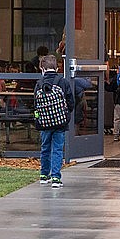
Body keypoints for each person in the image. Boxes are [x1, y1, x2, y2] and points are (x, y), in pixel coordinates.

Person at [35, 54, 74, 188]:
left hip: (44, 122)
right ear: (57, 68)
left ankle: (43, 175)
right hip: (60, 122)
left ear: (42, 68)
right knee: (57, 149)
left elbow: (35, 103)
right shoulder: (62, 82)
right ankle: (56, 177)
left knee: (45, 147)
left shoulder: (39, 83)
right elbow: (70, 101)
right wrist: (66, 113)